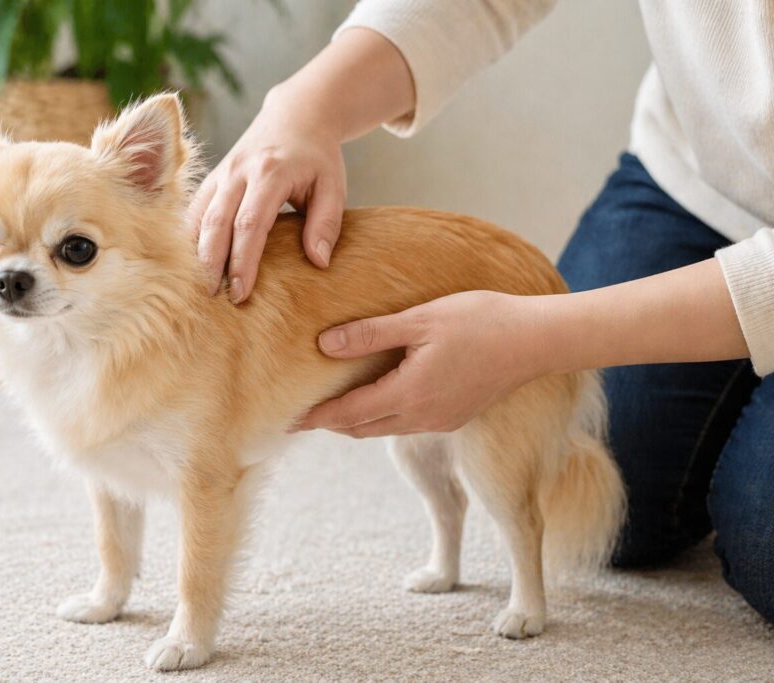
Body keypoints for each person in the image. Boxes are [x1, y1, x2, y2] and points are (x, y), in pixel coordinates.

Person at [188, 1, 774, 624]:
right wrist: (306, 106)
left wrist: (536, 340)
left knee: (760, 530)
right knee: (612, 499)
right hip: (697, 167)